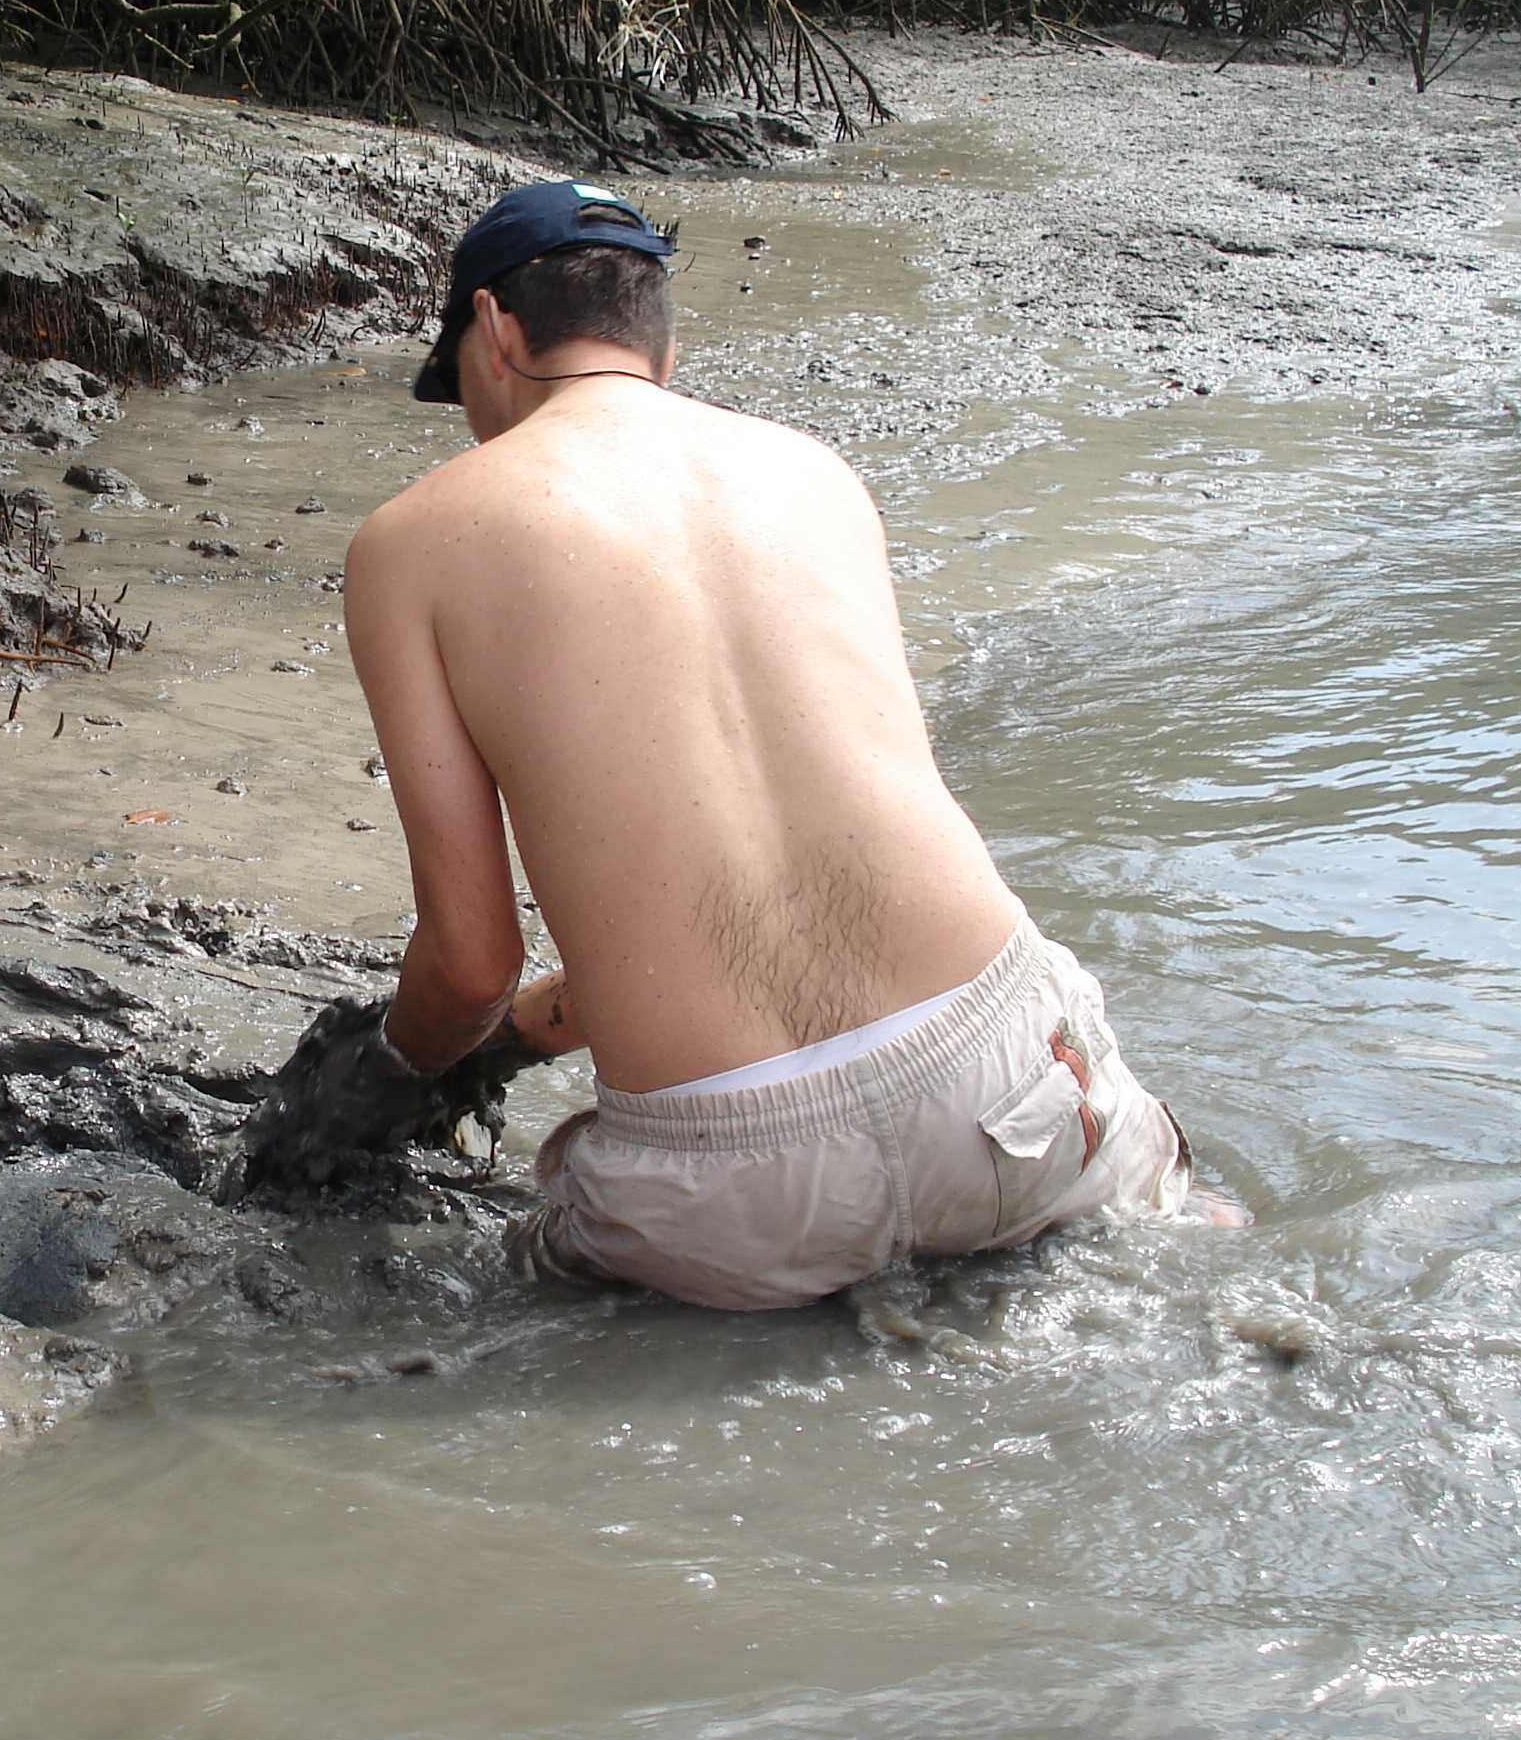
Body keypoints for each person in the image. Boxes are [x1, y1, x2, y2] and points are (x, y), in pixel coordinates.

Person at [324, 178, 1229, 1311]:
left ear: (494, 331)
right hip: (1008, 1091)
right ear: (660, 341)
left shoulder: (409, 543)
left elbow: (467, 965)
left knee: (513, 1299)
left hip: (720, 1197)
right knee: (1164, 1218)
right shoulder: (813, 473)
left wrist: (392, 1078)